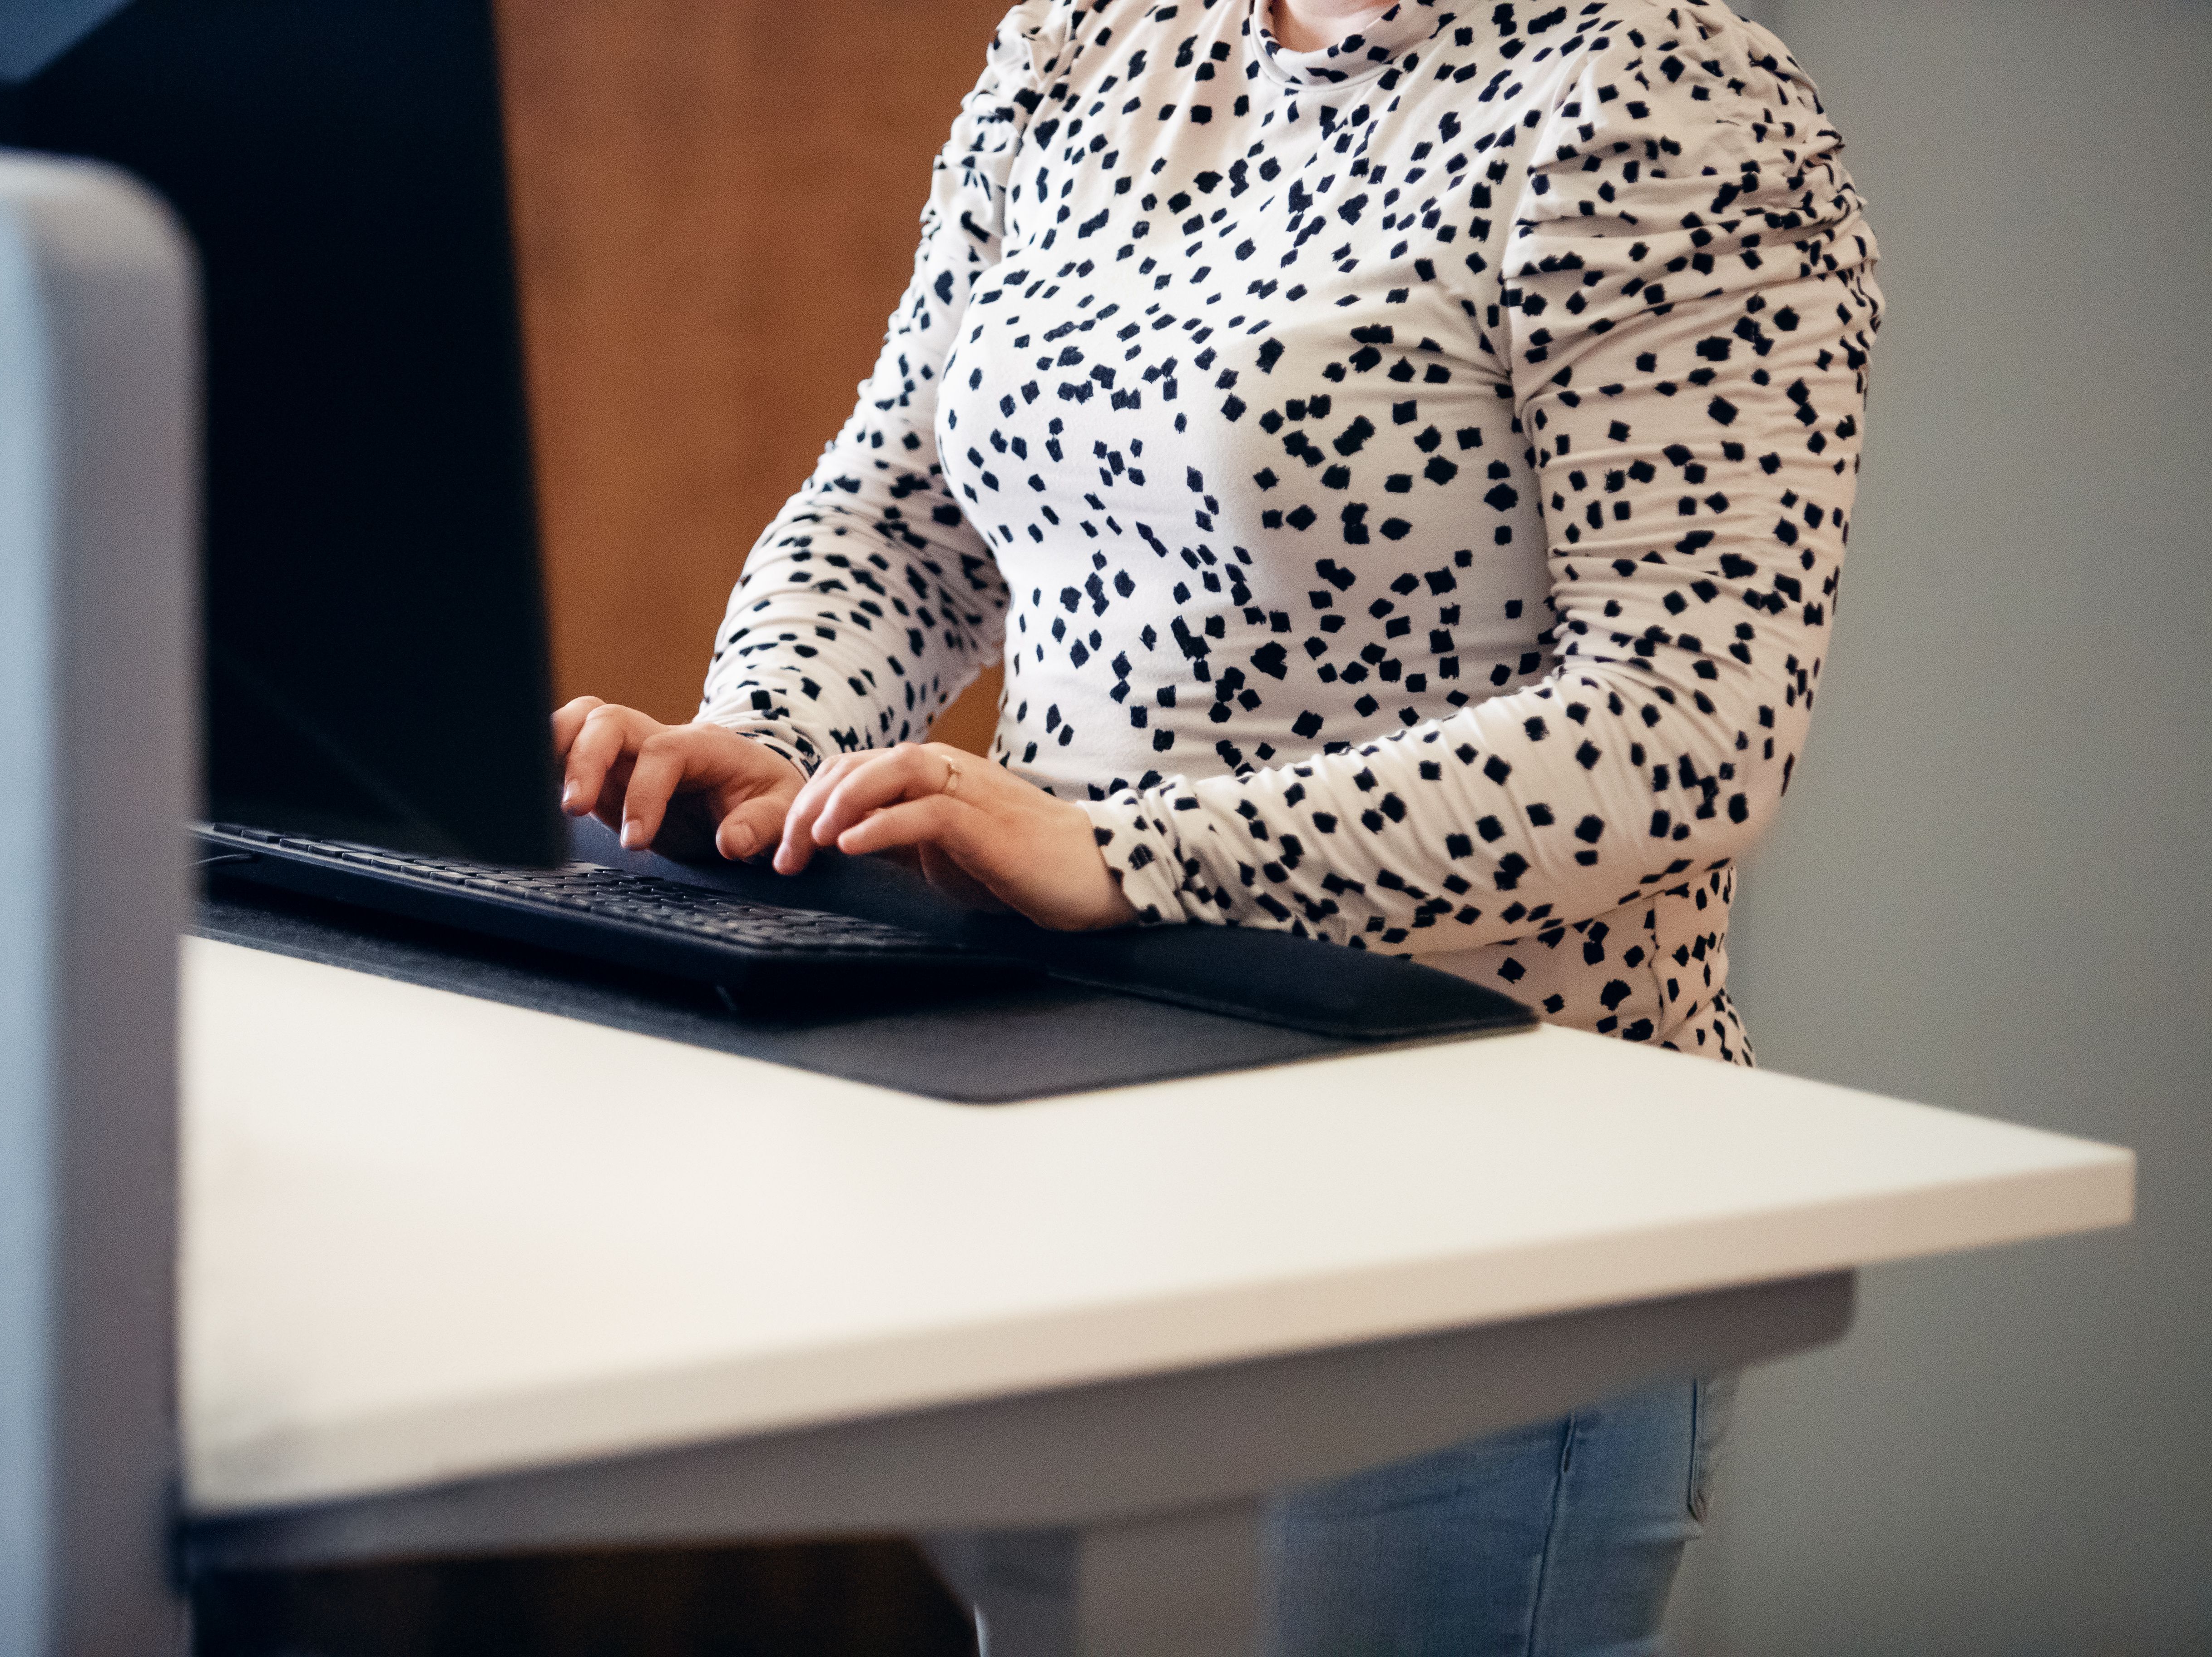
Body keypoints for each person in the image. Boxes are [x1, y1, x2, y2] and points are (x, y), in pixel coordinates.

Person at [556, 0, 1880, 1648]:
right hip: (1087, 1150)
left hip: (1481, 1213)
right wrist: (769, 744)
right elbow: (896, 523)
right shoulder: (1086, 42)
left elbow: (1690, 724)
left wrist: (1136, 856)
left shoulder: (1659, 93)